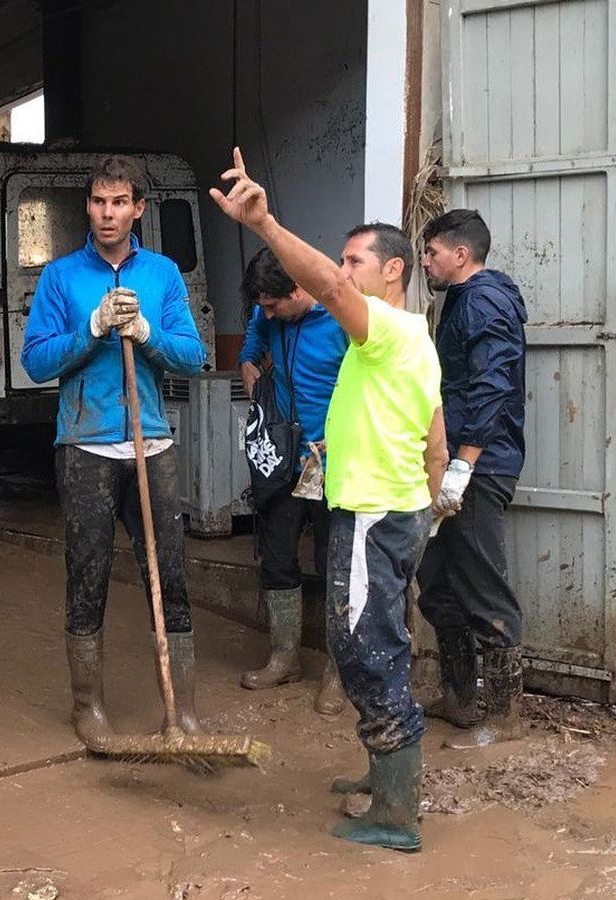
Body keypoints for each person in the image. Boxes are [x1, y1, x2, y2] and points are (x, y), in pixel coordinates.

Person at [212, 148, 446, 853]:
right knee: (373, 642)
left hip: (372, 513)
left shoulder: (385, 330)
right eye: (341, 262)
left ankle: (396, 816)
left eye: (353, 261)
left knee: (364, 649)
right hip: (388, 509)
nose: (343, 274)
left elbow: (330, 292)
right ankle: (383, 780)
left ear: (392, 271)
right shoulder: (410, 341)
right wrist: (428, 509)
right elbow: (436, 437)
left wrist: (266, 224)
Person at [20, 155, 208, 748]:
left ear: (138, 209)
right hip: (85, 445)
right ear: (88, 207)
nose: (108, 212)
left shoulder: (163, 274)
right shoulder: (60, 278)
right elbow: (36, 361)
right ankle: (88, 706)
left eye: (119, 201)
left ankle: (182, 710)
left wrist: (147, 334)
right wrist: (94, 328)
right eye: (99, 202)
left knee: (169, 574)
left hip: (150, 443)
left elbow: (192, 355)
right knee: (88, 572)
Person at [415, 209, 529, 744]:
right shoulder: (459, 301)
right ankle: (460, 698)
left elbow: (493, 383)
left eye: (432, 252)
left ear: (460, 254)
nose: (426, 262)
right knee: (438, 580)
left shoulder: (483, 300)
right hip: (451, 463)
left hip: (477, 467)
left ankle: (505, 718)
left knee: (482, 581)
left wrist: (464, 462)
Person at [235, 248, 350, 715]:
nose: (266, 314)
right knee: (278, 557)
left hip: (336, 462)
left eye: (273, 305)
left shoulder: (344, 319)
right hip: (282, 461)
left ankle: (339, 674)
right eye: (260, 305)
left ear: (300, 288)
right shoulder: (269, 317)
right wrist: (247, 361)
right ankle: (285, 658)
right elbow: (253, 337)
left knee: (335, 566)